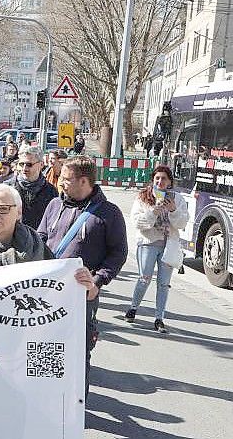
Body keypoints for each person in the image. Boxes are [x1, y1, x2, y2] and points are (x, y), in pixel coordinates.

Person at [37, 155, 128, 397]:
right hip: (46, 292)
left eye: (66, 179)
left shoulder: (109, 213)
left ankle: (75, 411)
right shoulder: (54, 205)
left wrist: (97, 282)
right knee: (43, 347)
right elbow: (41, 239)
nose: (61, 183)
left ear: (84, 181)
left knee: (77, 352)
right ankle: (47, 402)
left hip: (81, 296)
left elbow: (118, 253)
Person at [0, 183, 97, 306]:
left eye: (3, 208)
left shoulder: (38, 250)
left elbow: (62, 298)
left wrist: (87, 287)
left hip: (24, 338)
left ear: (19, 213)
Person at [125, 166, 188, 333]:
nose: (160, 182)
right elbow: (136, 222)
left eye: (164, 179)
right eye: (157, 178)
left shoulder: (178, 199)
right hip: (148, 242)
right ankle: (133, 307)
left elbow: (182, 224)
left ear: (170, 182)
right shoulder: (143, 197)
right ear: (153, 180)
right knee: (144, 278)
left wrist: (173, 210)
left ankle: (159, 318)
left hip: (169, 245)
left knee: (164, 284)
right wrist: (153, 212)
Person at [13, 145, 58, 229]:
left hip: (39, 238)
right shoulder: (9, 188)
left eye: (29, 164)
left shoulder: (51, 191)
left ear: (41, 165)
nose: (24, 168)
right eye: (22, 164)